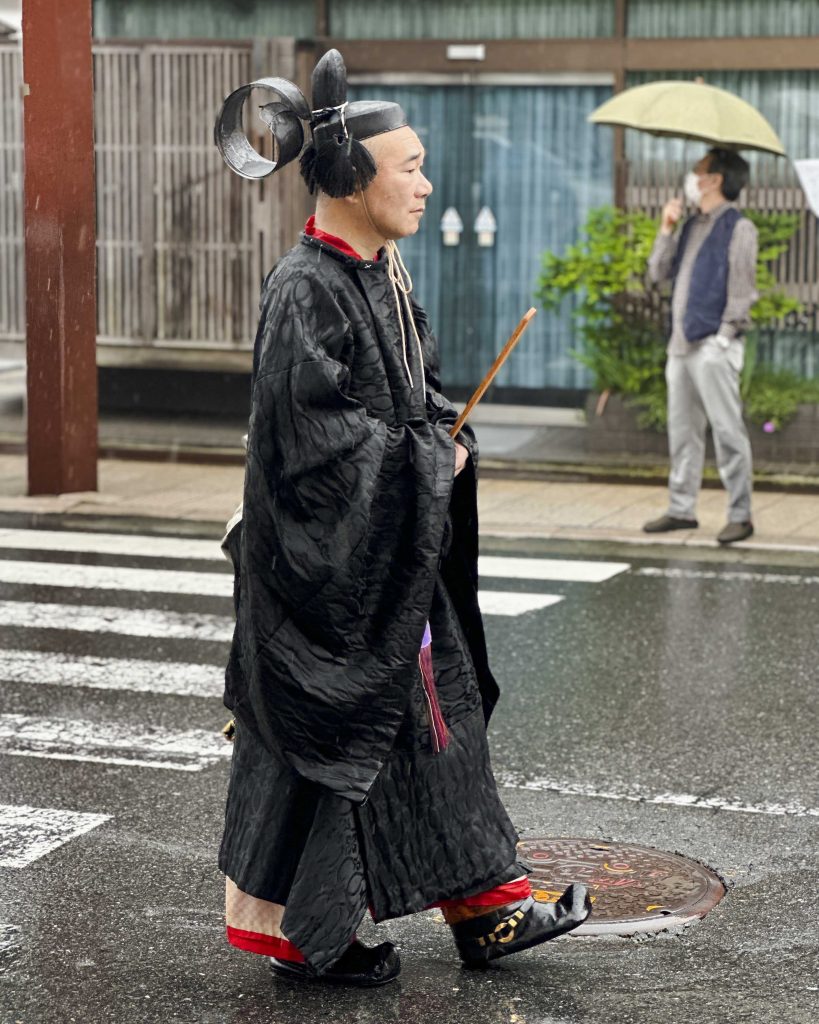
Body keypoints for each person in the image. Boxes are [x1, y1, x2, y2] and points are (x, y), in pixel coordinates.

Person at [213, 49, 590, 987]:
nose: (426, 184)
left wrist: (434, 438)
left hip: (392, 559)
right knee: (330, 748)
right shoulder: (304, 285)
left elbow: (407, 403)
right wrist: (428, 458)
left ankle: (490, 912)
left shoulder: (383, 271)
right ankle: (309, 936)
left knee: (442, 719)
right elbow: (314, 445)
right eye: (410, 166)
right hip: (325, 586)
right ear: (348, 176)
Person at [643, 148, 758, 545]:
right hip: (680, 345)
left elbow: (742, 294)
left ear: (716, 180)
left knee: (728, 431)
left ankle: (741, 515)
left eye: (699, 170)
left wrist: (722, 341)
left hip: (714, 345)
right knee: (683, 431)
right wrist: (666, 228)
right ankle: (681, 509)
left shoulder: (740, 229)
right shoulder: (690, 225)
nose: (692, 176)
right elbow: (657, 273)